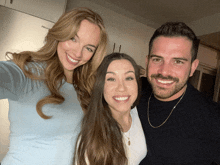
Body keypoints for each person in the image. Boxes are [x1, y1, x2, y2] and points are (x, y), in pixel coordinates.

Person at [0, 7, 107, 165]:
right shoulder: (28, 72)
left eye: (89, 48)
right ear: (60, 33)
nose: (78, 53)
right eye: (73, 38)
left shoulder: (86, 88)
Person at [138, 22, 220, 165]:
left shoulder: (214, 119)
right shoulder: (131, 93)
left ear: (193, 67)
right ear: (147, 61)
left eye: (177, 62)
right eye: (157, 59)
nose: (164, 72)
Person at [74, 53, 147, 165]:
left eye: (129, 78)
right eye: (111, 79)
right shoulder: (90, 136)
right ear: (101, 86)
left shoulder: (139, 114)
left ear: (137, 83)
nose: (121, 88)